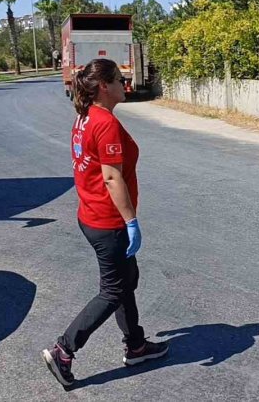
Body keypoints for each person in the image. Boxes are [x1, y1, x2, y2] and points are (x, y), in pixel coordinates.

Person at [42, 59, 168, 386]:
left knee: (127, 279)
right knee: (113, 290)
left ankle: (136, 345)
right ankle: (63, 351)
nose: (124, 82)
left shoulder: (85, 117)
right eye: (118, 79)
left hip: (91, 215)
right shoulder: (104, 122)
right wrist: (131, 221)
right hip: (108, 220)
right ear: (104, 87)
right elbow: (112, 178)